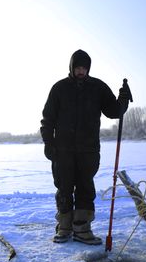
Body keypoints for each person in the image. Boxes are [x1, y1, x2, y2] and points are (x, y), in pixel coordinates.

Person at [40, 49, 132, 244]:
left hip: (88, 150)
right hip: (62, 150)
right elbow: (47, 120)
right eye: (77, 67)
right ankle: (64, 227)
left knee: (85, 188)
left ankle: (82, 229)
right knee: (64, 187)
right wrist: (49, 143)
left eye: (84, 68)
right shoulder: (59, 88)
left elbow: (114, 111)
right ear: (71, 68)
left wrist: (123, 99)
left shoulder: (97, 88)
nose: (81, 71)